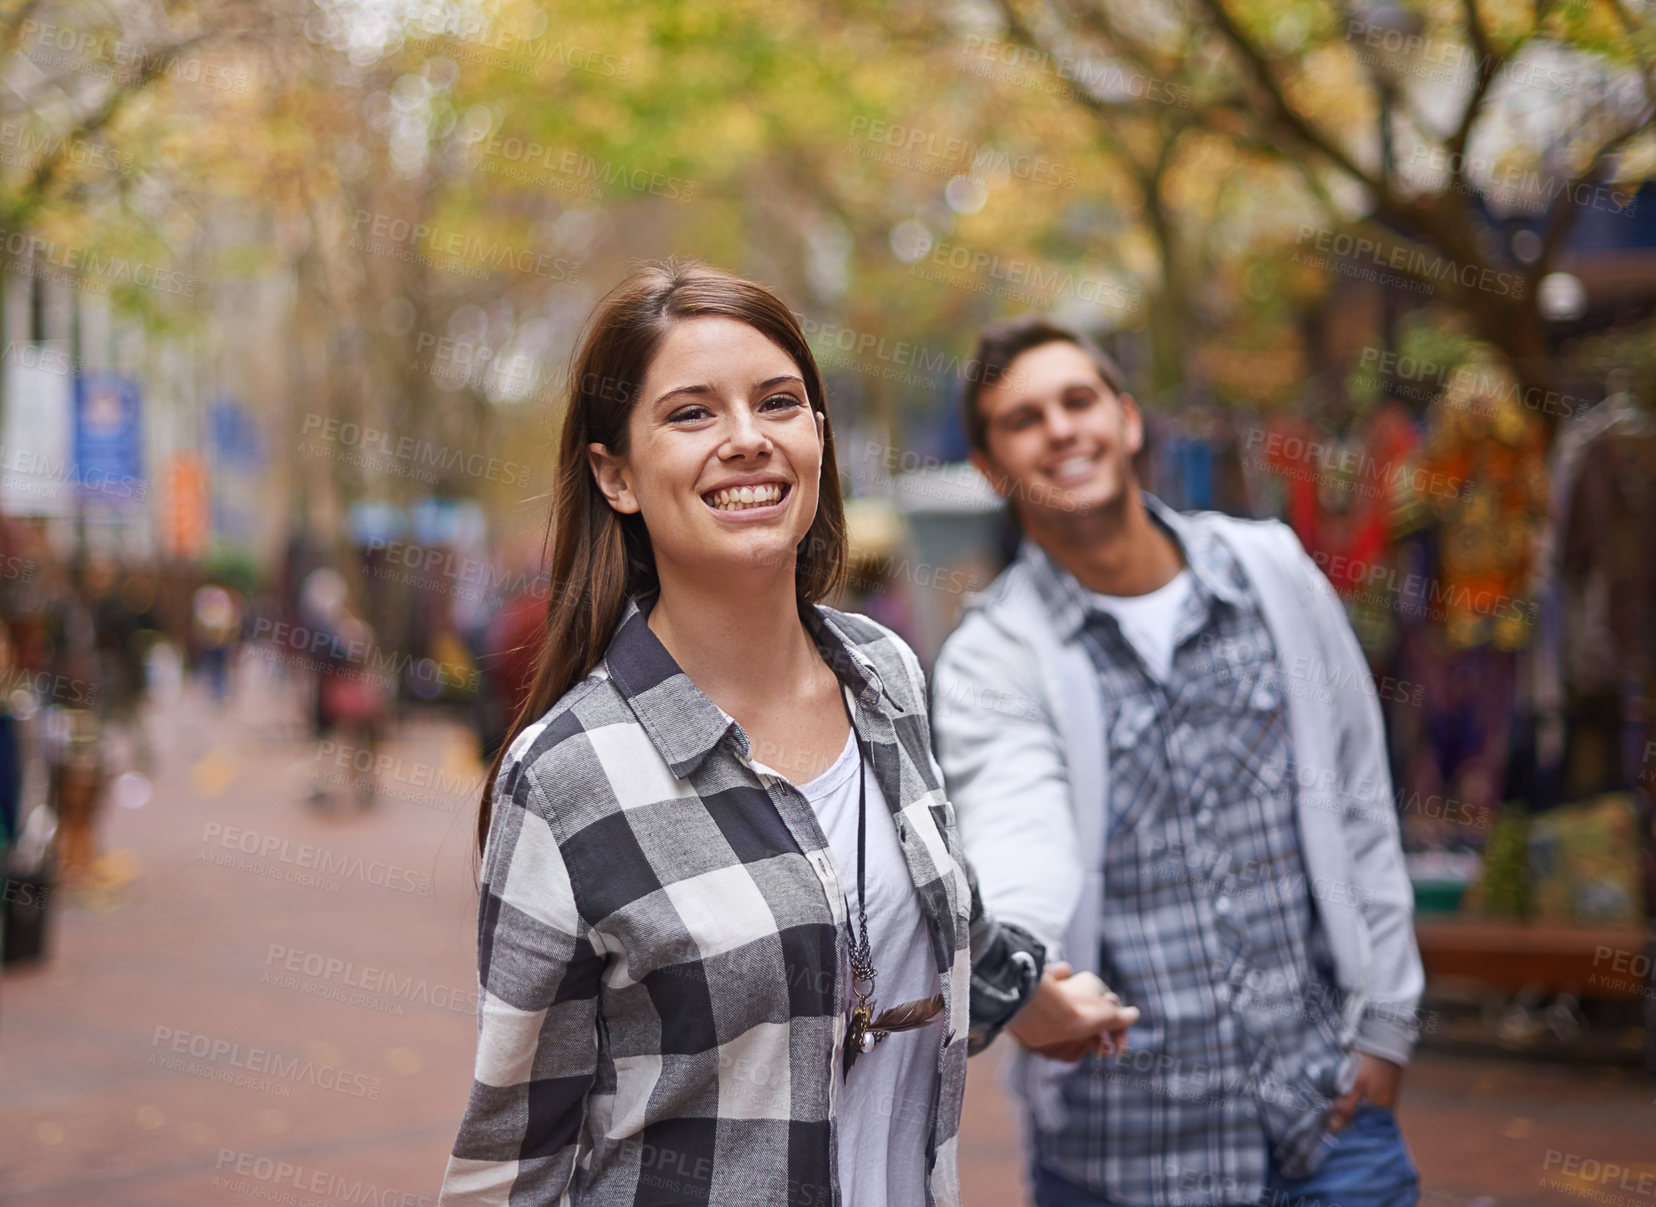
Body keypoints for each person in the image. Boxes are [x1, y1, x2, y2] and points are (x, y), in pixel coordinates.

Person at [437, 265, 1137, 1207]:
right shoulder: (566, 775)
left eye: (778, 401)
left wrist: (1030, 996)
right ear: (616, 474)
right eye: (691, 414)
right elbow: (509, 1159)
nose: (747, 439)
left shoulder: (885, 673)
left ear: (818, 433)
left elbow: (922, 914)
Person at [930, 317, 1425, 1207]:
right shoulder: (993, 655)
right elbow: (1016, 822)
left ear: (1125, 419)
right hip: (1123, 1156)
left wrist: (1386, 1032)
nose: (1061, 429)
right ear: (990, 466)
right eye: (1024, 418)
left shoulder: (1268, 572)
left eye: (1078, 401)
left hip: (1332, 1126)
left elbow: (1359, 798)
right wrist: (1023, 970)